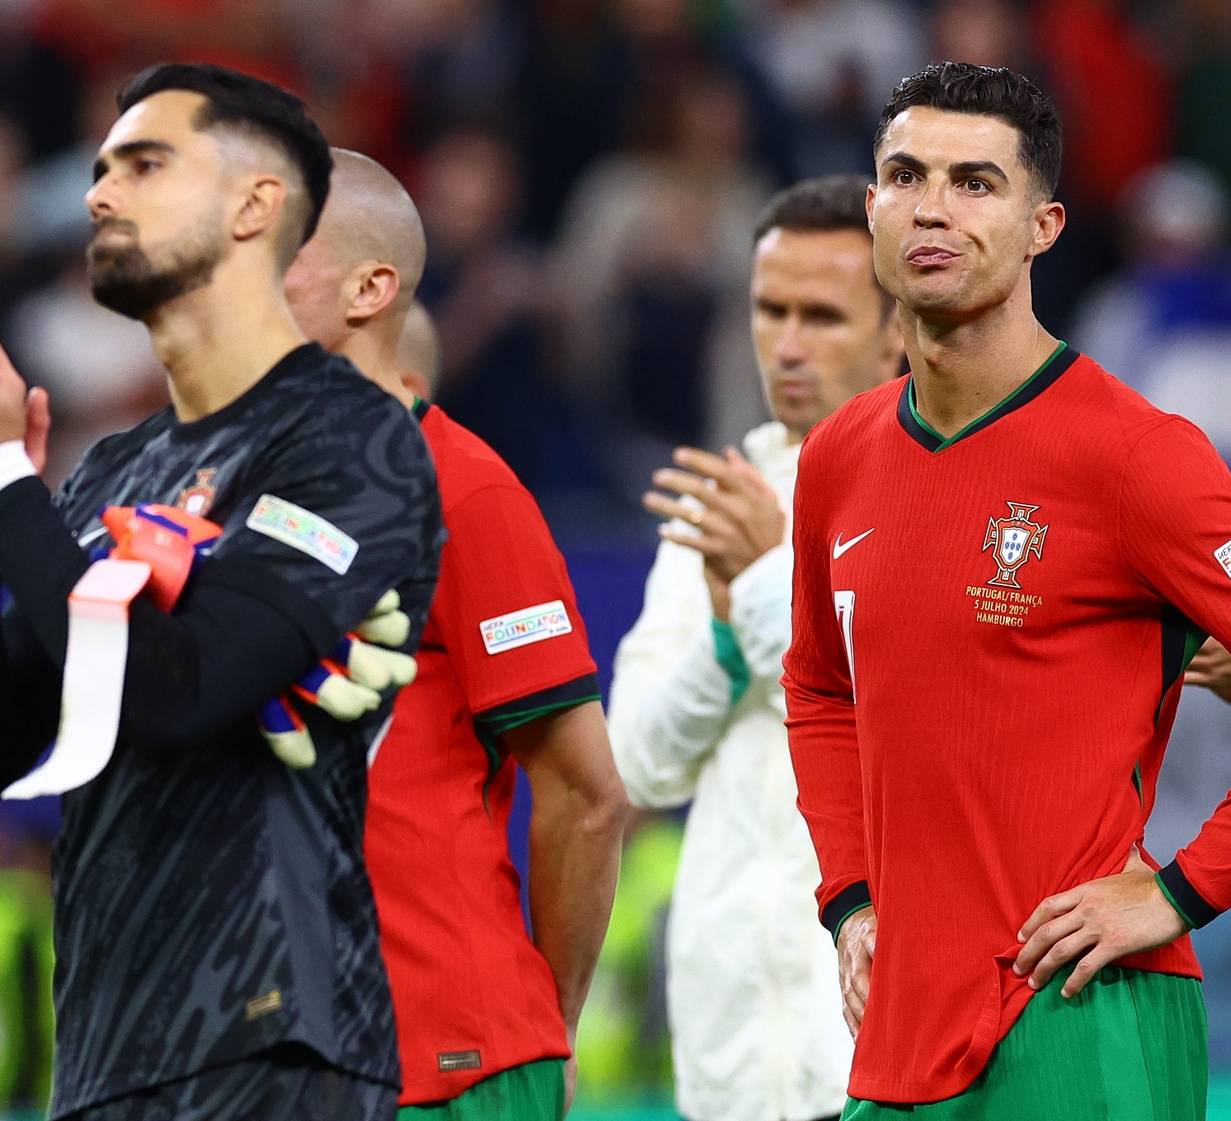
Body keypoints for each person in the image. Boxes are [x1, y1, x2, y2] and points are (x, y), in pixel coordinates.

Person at [782, 61, 1231, 1118]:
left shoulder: (1131, 454)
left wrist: (1178, 891)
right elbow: (816, 688)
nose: (932, 206)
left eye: (975, 182)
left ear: (1043, 225)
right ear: (874, 205)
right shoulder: (838, 455)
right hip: (899, 1031)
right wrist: (849, 898)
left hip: (1077, 1015)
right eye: (904, 174)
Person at [0, 63, 441, 1120]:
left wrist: (10, 473)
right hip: (106, 1046)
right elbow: (22, 712)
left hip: (272, 1037)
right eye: (101, 170)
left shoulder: (352, 439)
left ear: (255, 208)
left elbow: (180, 690)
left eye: (146, 164)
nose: (100, 193)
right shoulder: (113, 468)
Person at [283, 149, 628, 1120]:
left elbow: (585, 792)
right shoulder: (219, 494)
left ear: (370, 287)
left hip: (443, 1060)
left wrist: (546, 1023)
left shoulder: (462, 489)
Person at [607, 174, 901, 1121]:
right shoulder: (722, 502)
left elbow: (906, 713)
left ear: (898, 329)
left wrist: (764, 575)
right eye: (770, 310)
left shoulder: (943, 491)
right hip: (730, 1043)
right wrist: (730, 639)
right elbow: (640, 764)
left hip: (880, 1034)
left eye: (822, 314)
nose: (787, 343)